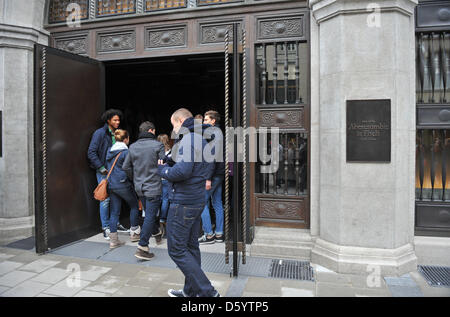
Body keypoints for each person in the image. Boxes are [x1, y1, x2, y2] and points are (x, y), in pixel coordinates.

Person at [157, 108, 219, 298]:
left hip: (184, 201)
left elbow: (182, 172)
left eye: (173, 124)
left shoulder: (189, 139)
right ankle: (190, 291)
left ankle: (208, 292)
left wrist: (163, 170)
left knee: (176, 249)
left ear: (180, 121)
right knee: (191, 247)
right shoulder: (201, 139)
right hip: (196, 199)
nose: (173, 129)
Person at [123, 121, 165, 260]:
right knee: (150, 216)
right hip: (153, 186)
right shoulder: (158, 145)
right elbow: (163, 164)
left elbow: (126, 167)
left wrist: (135, 178)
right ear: (152, 131)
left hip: (139, 187)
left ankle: (157, 233)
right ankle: (142, 247)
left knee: (149, 215)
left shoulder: (133, 146)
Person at [87, 109, 129, 240]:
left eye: (118, 120)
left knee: (116, 197)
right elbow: (91, 152)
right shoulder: (100, 133)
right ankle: (105, 227)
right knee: (105, 200)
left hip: (115, 171)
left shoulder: (117, 133)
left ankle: (114, 224)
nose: (118, 122)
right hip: (104, 171)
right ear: (108, 120)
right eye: (115, 120)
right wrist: (101, 167)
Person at [105, 129, 139, 249]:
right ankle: (134, 233)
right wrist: (132, 179)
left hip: (112, 185)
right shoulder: (125, 152)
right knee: (134, 205)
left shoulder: (109, 151)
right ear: (126, 139)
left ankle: (113, 241)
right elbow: (128, 169)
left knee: (114, 211)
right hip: (123, 184)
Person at [198, 110, 225, 244]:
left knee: (201, 202)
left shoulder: (213, 134)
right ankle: (219, 234)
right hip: (219, 173)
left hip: (213, 174)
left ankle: (209, 235)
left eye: (206, 120)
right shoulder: (218, 133)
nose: (204, 122)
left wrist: (208, 178)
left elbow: (211, 158)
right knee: (217, 203)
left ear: (213, 121)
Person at [157, 134, 172, 238]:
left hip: (157, 178)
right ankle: (163, 219)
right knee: (166, 199)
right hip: (166, 177)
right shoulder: (171, 152)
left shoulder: (155, 152)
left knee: (159, 198)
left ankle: (157, 218)